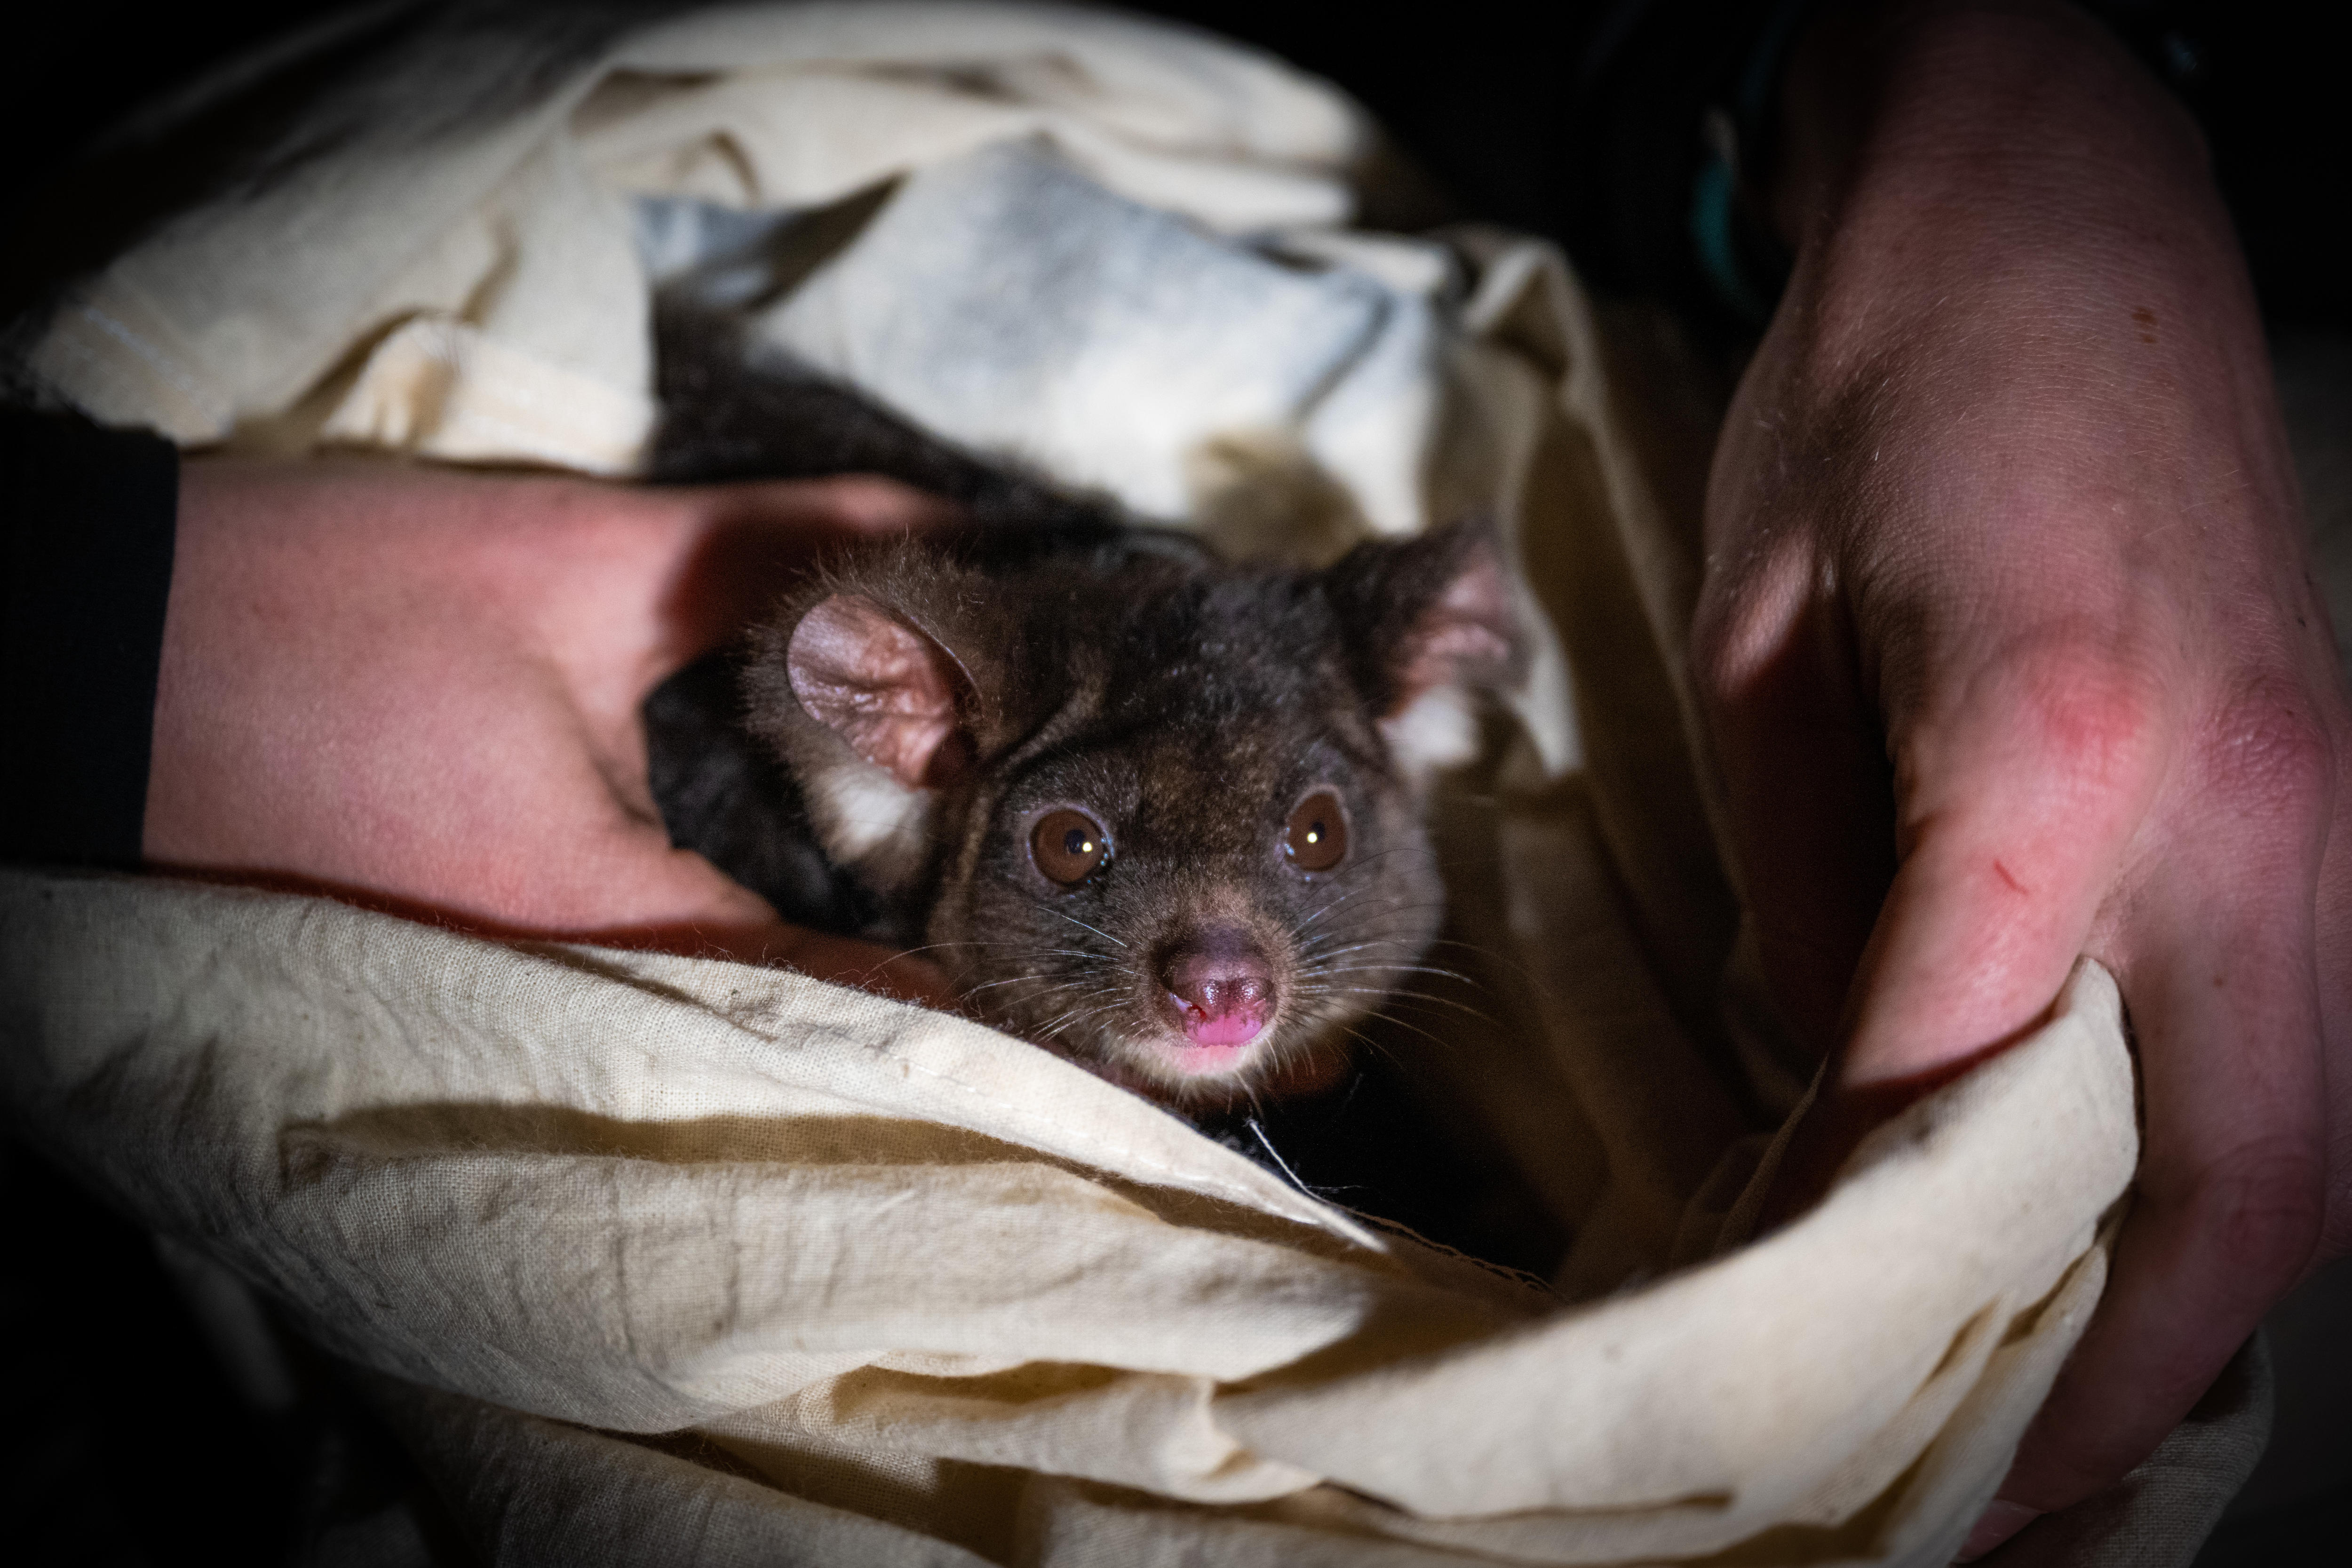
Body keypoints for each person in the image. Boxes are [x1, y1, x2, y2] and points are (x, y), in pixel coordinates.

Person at [4, 1, 2342, 1560]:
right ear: (932, 755)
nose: (1217, 936)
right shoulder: (870, 712)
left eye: (1311, 839)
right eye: (1094, 845)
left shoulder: (1353, 740)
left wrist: (2027, 86)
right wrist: (110, 626)